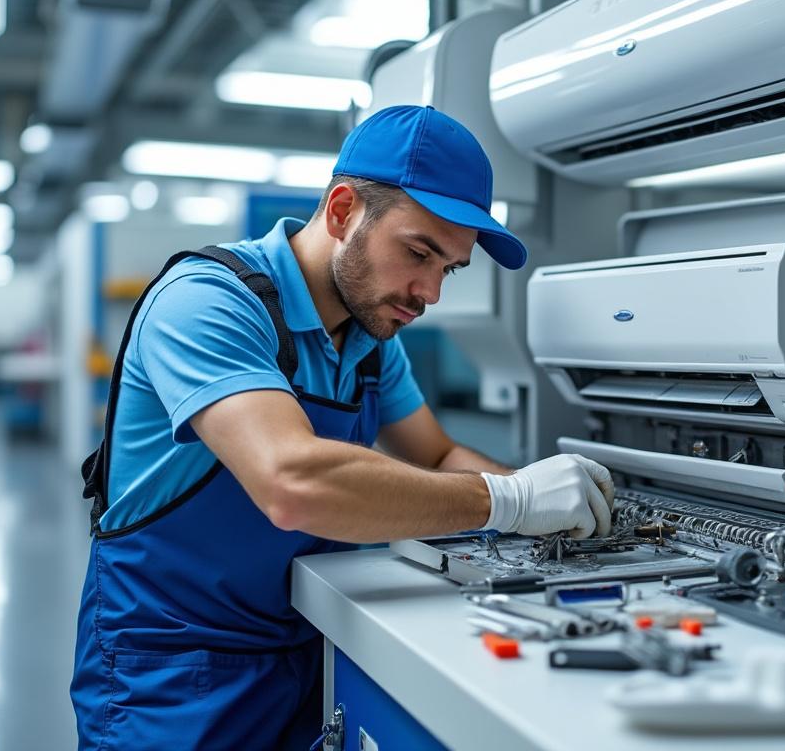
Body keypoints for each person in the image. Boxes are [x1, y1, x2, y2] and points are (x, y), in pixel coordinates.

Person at [70, 105, 615, 750]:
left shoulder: (370, 339)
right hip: (172, 672)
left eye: (449, 268)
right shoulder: (207, 302)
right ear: (342, 210)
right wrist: (513, 500)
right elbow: (292, 482)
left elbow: (438, 456)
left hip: (301, 653)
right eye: (419, 253)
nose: (429, 292)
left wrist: (558, 507)